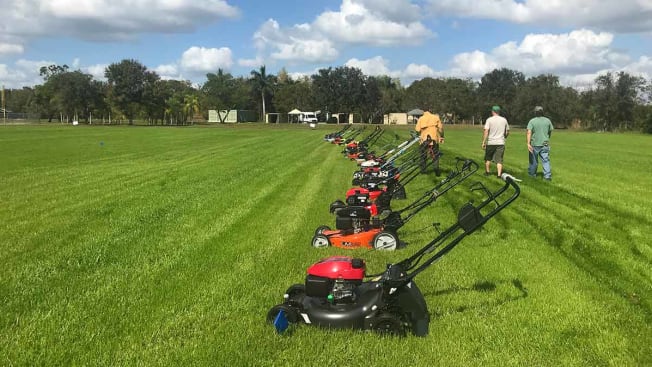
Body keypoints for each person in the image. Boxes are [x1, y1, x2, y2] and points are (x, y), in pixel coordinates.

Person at [526, 106, 554, 180]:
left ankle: (532, 174)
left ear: (535, 112)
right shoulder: (548, 120)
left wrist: (528, 143)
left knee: (533, 161)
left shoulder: (532, 121)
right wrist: (547, 138)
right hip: (545, 143)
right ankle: (547, 176)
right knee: (545, 160)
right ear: (542, 112)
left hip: (535, 143)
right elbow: (550, 131)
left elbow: (529, 132)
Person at [481, 105, 510, 177]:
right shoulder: (504, 120)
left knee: (488, 158)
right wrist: (505, 137)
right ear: (499, 112)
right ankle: (499, 175)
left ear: (492, 111)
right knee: (499, 159)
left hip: (491, 142)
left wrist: (484, 141)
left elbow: (486, 131)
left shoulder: (489, 120)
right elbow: (507, 131)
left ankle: (487, 172)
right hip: (500, 142)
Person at [415, 108, 444, 175]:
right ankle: (436, 169)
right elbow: (441, 129)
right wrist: (442, 137)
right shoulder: (436, 118)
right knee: (435, 156)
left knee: (423, 156)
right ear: (431, 111)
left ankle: (423, 170)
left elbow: (417, 130)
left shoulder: (421, 119)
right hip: (434, 140)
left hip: (423, 140)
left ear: (423, 111)